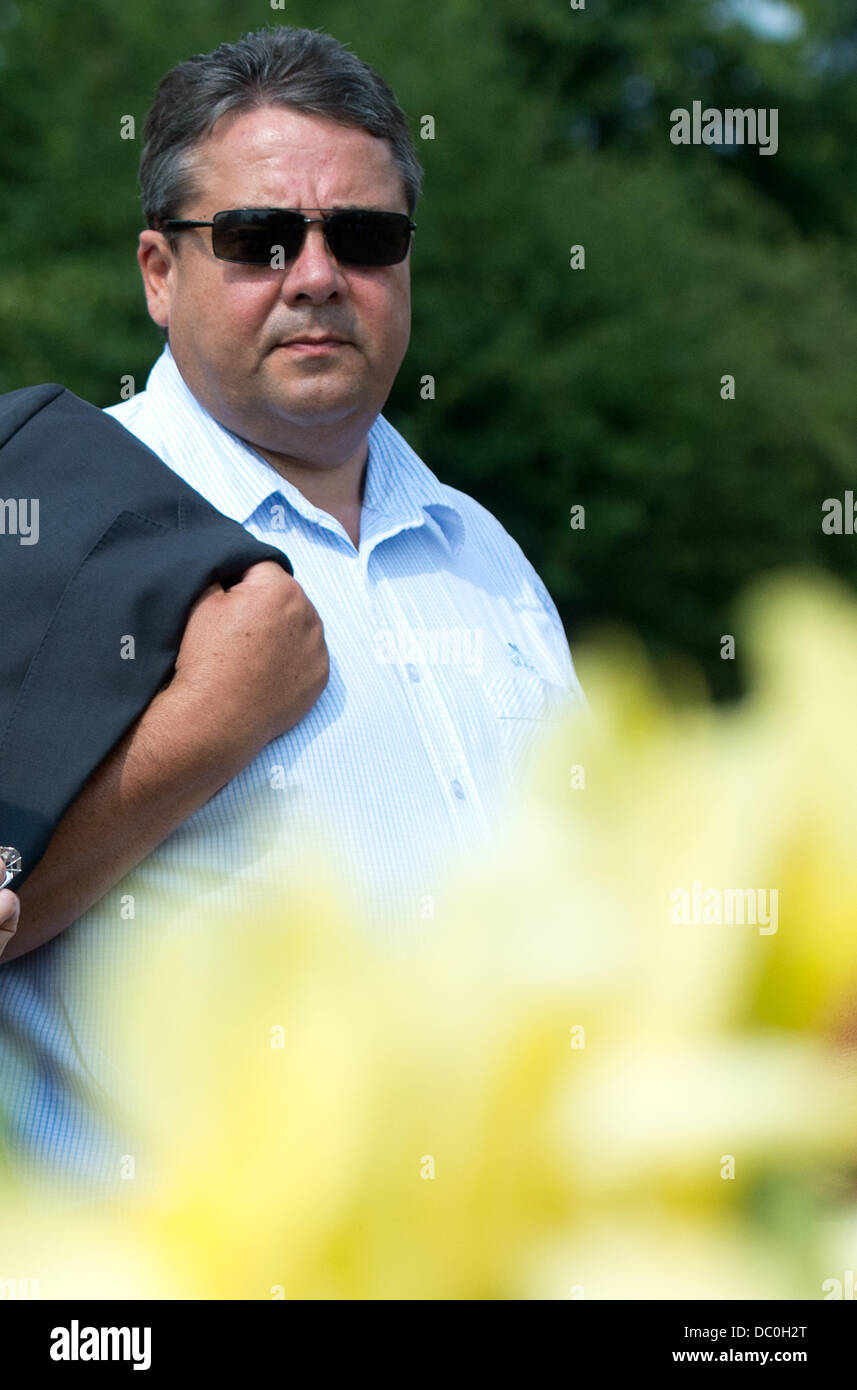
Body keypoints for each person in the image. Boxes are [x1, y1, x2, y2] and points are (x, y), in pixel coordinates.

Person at [0, 24, 583, 1192]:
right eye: (259, 238)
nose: (316, 275)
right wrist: (198, 735)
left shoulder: (487, 555)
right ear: (159, 274)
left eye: (362, 237)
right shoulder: (37, 520)